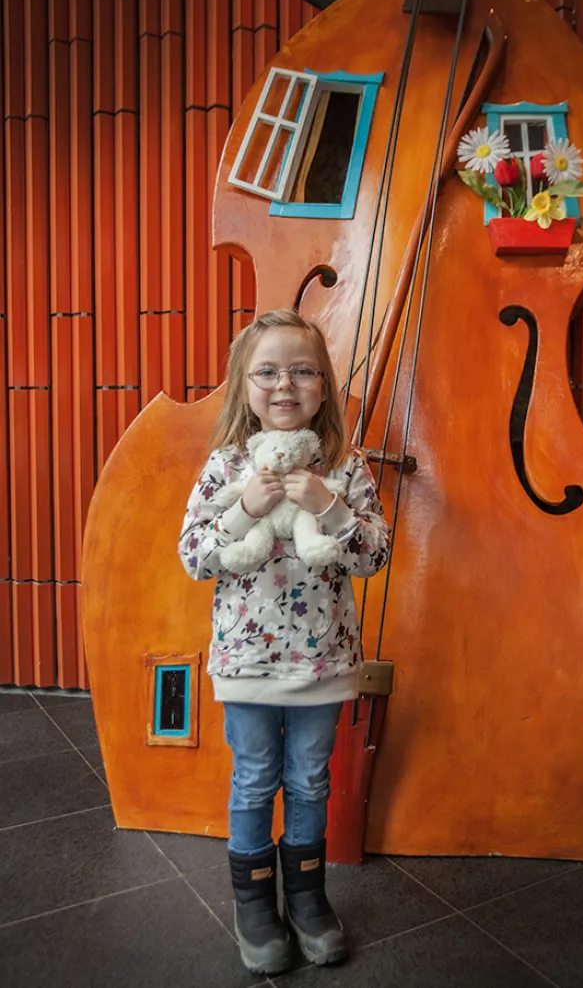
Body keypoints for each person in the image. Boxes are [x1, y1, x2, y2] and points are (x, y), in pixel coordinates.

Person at [178, 308, 390, 975]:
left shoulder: (346, 468)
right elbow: (193, 557)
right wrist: (246, 509)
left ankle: (308, 897)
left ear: (323, 387)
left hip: (323, 662)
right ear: (246, 386)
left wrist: (329, 505)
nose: (284, 385)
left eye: (302, 371)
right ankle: (255, 905)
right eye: (267, 371)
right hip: (246, 664)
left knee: (309, 778)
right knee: (253, 780)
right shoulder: (224, 468)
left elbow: (373, 555)